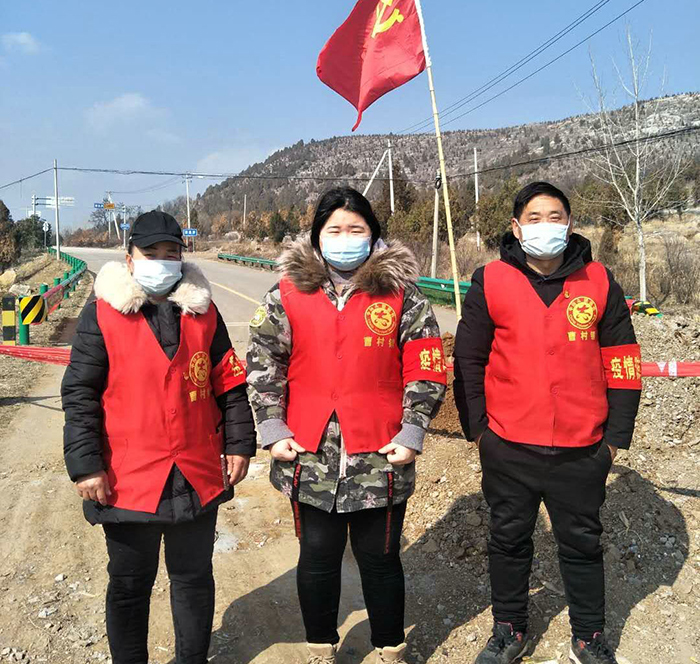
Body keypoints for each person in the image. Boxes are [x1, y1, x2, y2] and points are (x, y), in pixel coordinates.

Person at [246, 187, 447, 664]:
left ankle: (389, 648)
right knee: (317, 557)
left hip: (381, 452)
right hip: (308, 451)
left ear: (373, 235)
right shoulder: (287, 293)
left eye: (356, 229)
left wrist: (412, 431)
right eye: (334, 229)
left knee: (381, 560)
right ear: (317, 236)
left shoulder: (401, 295)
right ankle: (321, 646)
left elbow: (426, 366)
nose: (345, 238)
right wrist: (273, 428)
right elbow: (263, 361)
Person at [453, 182, 641, 664]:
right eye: (534, 218)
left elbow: (623, 360)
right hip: (508, 445)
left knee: (582, 544)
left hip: (582, 448)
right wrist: (479, 432)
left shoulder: (598, 281)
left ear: (570, 224)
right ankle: (510, 628)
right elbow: (468, 360)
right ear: (516, 228)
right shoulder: (491, 280)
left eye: (555, 217)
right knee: (508, 539)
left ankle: (588, 636)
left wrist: (614, 440)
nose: (545, 226)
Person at [61, 210, 256, 664]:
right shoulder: (102, 314)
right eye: (150, 253)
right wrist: (86, 465)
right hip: (127, 477)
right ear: (129, 258)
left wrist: (239, 443)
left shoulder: (204, 312)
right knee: (130, 585)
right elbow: (80, 393)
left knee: (193, 579)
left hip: (196, 471)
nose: (161, 262)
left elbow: (229, 383)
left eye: (171, 254)